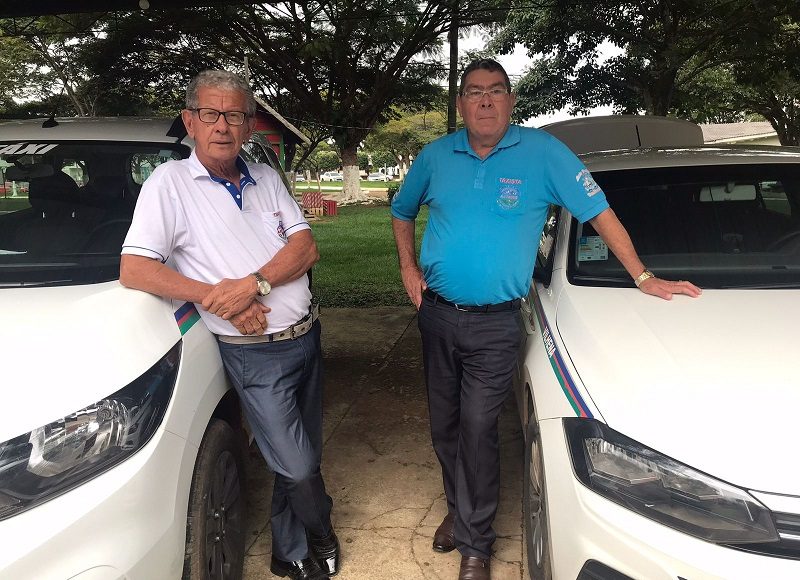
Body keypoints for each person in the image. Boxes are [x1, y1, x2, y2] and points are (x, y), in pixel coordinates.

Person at [391, 58, 701, 580]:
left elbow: (599, 212)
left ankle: (476, 544)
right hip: (437, 316)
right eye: (474, 92)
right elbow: (402, 211)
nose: (485, 100)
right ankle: (460, 511)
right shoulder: (435, 156)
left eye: (496, 90)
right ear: (460, 103)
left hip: (495, 324)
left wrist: (643, 275)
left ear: (511, 100)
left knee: (477, 427)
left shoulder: (543, 153)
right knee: (446, 427)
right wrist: (407, 269)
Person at [120, 70, 339, 580]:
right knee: (297, 465)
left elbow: (305, 248)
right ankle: (321, 530)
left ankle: (288, 552)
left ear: (249, 125)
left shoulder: (265, 178)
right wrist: (218, 299)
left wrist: (252, 285)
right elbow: (136, 268)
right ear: (190, 121)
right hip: (253, 351)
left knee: (301, 453)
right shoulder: (169, 184)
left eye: (235, 115)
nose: (223, 125)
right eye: (211, 114)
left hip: (305, 335)